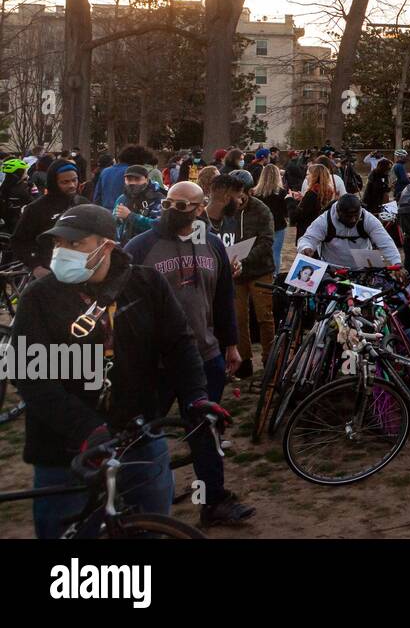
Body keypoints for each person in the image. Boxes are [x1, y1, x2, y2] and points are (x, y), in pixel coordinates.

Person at [13, 204, 230, 538]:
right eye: (58, 244)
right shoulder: (39, 298)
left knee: (150, 526)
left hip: (139, 436)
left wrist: (196, 398)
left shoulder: (147, 284)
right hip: (65, 451)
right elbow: (32, 377)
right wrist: (86, 429)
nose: (61, 252)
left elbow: (179, 345)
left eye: (74, 244)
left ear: (107, 246)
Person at [124, 181, 254, 526]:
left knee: (206, 433)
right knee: (142, 433)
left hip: (205, 356)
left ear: (200, 209)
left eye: (184, 205)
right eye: (169, 202)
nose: (174, 210)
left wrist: (231, 344)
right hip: (157, 363)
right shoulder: (140, 247)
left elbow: (225, 299)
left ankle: (213, 502)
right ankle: (134, 507)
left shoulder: (211, 245)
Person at [208, 173, 276, 378]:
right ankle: (244, 362)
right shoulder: (225, 212)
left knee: (265, 317)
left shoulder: (261, 210)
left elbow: (266, 241)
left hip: (259, 270)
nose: (239, 201)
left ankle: (269, 358)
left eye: (243, 196)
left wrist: (244, 261)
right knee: (238, 318)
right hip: (234, 274)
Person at [9, 160, 88, 273]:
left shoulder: (84, 204)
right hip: (49, 270)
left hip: (81, 268)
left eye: (74, 180)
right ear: (54, 183)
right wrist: (36, 266)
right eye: (65, 182)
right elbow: (18, 241)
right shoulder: (36, 208)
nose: (71, 185)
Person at [297, 193, 402, 268]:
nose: (352, 220)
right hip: (333, 268)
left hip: (364, 268)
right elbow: (309, 238)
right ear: (338, 212)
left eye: (355, 215)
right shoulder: (325, 220)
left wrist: (396, 262)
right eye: (348, 216)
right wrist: (306, 247)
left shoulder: (368, 219)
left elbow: (385, 241)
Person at [252, 163, 290, 273]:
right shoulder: (282, 193)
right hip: (277, 226)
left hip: (260, 227)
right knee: (276, 253)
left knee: (260, 252)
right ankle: (275, 275)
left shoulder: (255, 193)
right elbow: (285, 212)